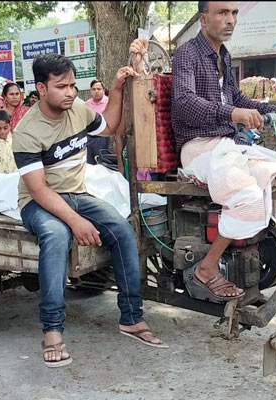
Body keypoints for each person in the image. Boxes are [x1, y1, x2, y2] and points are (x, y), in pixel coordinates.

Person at [13, 53, 166, 368]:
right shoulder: (26, 132)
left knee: (123, 230)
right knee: (57, 236)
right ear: (41, 88)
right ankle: (53, 331)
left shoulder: (79, 109)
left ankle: (131, 318)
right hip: (37, 202)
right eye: (61, 86)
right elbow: (39, 189)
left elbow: (109, 126)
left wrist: (118, 88)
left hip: (77, 194)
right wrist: (76, 222)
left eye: (72, 85)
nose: (70, 92)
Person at [162, 1, 276, 300]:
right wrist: (232, 114)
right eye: (223, 13)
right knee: (247, 196)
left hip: (227, 146)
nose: (230, 20)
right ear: (203, 19)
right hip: (198, 148)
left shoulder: (223, 55)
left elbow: (236, 96)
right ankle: (207, 268)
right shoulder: (188, 53)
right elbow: (185, 102)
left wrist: (271, 109)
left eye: (234, 13)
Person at [84, 79, 111, 165]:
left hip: (102, 137)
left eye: (99, 89)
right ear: (91, 91)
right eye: (94, 89)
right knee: (89, 164)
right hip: (89, 137)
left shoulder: (109, 102)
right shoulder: (87, 104)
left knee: (102, 163)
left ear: (103, 90)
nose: (96, 91)